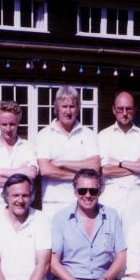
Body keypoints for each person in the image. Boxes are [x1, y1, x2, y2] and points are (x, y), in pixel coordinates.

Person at [36, 86, 101, 219]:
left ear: (77, 109)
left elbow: (94, 166)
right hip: (53, 202)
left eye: (72, 106)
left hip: (82, 201)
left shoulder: (88, 134)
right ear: (57, 109)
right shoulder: (44, 134)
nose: (68, 111)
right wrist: (80, 177)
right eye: (64, 106)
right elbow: (46, 170)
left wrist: (61, 163)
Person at [98, 91, 140, 234]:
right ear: (113, 110)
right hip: (110, 193)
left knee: (135, 241)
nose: (125, 113)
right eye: (120, 109)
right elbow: (104, 170)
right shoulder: (103, 136)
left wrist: (120, 163)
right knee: (108, 239)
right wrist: (137, 164)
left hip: (136, 194)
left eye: (128, 108)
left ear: (134, 110)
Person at [0, 101, 38, 219]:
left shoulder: (28, 146)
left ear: (18, 122)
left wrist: (1, 171)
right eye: (4, 124)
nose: (8, 129)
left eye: (12, 124)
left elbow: (32, 174)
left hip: (22, 209)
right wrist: (21, 172)